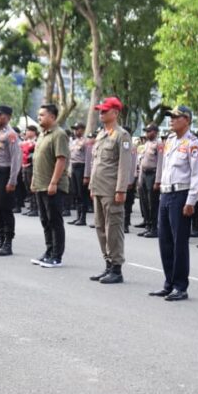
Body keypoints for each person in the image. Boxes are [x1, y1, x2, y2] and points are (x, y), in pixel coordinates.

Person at [150, 105, 198, 301]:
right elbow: (165, 169)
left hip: (181, 195)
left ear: (187, 120)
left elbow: (197, 175)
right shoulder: (171, 140)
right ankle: (169, 283)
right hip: (166, 193)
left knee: (178, 242)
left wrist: (191, 201)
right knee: (164, 241)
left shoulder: (193, 143)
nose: (171, 120)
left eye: (175, 117)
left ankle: (180, 286)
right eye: (170, 117)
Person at [87, 97, 134, 284]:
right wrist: (91, 185)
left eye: (105, 110)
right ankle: (107, 265)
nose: (101, 113)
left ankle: (116, 268)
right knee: (100, 227)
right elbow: (96, 162)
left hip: (112, 189)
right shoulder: (101, 134)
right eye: (100, 110)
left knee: (113, 228)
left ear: (115, 113)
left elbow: (124, 165)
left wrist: (121, 189)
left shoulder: (122, 136)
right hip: (99, 188)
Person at [30, 103, 70, 268]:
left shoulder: (58, 134)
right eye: (39, 115)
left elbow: (61, 159)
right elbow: (37, 160)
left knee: (55, 221)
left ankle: (56, 256)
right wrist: (34, 180)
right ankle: (48, 251)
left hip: (53, 186)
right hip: (40, 184)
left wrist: (54, 182)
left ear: (52, 117)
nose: (39, 117)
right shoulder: (42, 135)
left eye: (42, 115)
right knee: (45, 220)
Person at [0, 105, 21, 256]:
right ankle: (0, 240)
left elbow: (16, 159)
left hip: (4, 174)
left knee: (6, 209)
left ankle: (8, 243)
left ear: (7, 117)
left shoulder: (11, 134)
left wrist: (12, 180)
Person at [137, 124, 162, 238]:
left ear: (155, 132)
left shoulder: (159, 145)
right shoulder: (145, 144)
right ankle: (147, 225)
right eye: (146, 131)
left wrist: (158, 180)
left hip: (153, 174)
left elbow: (161, 163)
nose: (147, 133)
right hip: (144, 174)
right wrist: (140, 179)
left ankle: (154, 228)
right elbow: (142, 162)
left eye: (149, 131)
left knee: (153, 202)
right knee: (145, 201)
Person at [68, 122, 90, 226]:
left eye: (78, 129)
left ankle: (83, 218)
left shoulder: (86, 142)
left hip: (81, 168)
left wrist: (86, 175)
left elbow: (88, 158)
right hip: (74, 167)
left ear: (82, 130)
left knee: (82, 194)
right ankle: (78, 216)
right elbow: (70, 157)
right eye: (75, 129)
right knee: (76, 193)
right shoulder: (73, 141)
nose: (76, 131)